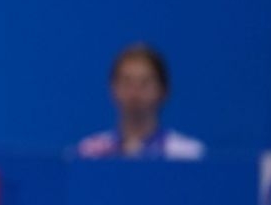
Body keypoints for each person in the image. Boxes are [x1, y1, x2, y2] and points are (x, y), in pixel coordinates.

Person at [76, 45, 204, 160]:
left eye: (145, 83)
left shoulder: (186, 154)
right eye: (127, 82)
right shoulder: (90, 153)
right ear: (112, 88)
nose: (135, 92)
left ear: (164, 90)